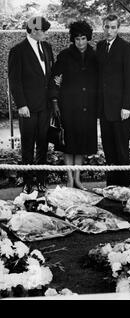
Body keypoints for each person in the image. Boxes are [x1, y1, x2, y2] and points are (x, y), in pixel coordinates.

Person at [8, 16, 54, 194]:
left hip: (45, 106)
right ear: (34, 30)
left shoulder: (47, 47)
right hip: (27, 107)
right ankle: (28, 183)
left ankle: (41, 181)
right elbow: (15, 81)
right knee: (28, 145)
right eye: (43, 30)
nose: (45, 34)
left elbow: (50, 76)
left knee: (43, 144)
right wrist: (21, 105)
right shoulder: (18, 50)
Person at [49, 20, 98, 190]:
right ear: (73, 39)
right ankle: (69, 179)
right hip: (68, 106)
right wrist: (55, 101)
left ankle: (78, 179)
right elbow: (56, 80)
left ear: (88, 38)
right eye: (77, 39)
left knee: (82, 144)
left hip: (88, 107)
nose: (80, 42)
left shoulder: (95, 56)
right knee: (68, 144)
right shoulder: (64, 56)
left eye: (83, 38)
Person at [96, 14, 130, 187]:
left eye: (113, 27)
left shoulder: (126, 48)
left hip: (121, 108)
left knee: (121, 149)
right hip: (104, 108)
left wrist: (127, 106)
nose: (109, 30)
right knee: (108, 149)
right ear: (103, 27)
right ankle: (111, 185)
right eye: (106, 27)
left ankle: (124, 188)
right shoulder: (99, 46)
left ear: (118, 28)